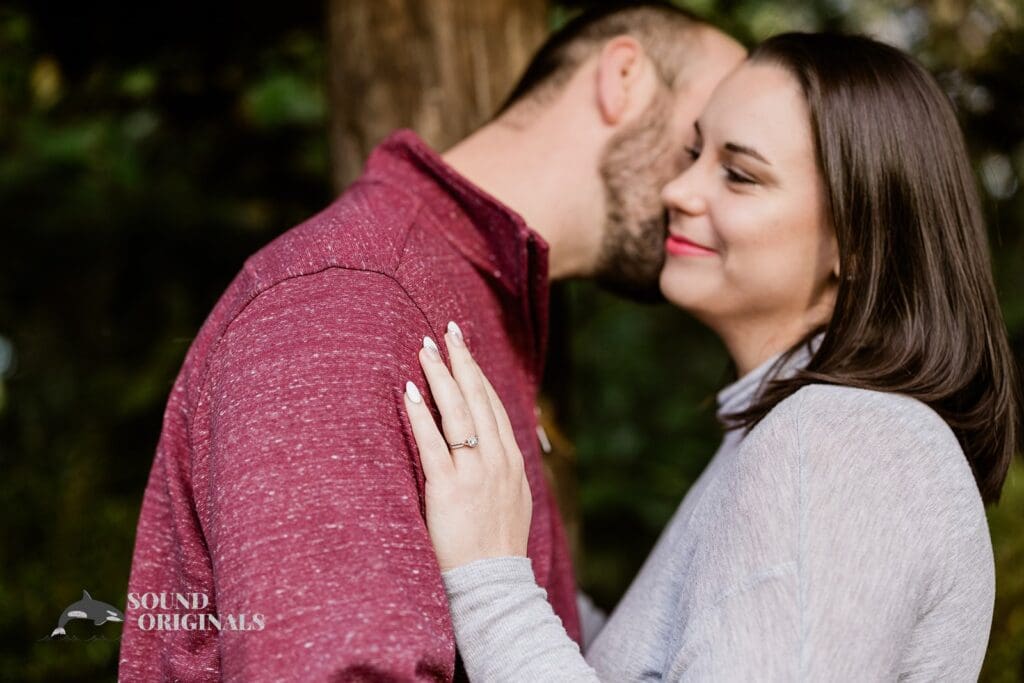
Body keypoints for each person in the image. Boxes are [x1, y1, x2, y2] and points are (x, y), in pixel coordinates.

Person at [118, 3, 746, 681]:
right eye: (700, 145)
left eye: (738, 169)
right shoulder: (347, 304)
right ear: (623, 76)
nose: (700, 191)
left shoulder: (476, 298)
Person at [403, 32, 1022, 681]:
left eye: (740, 173)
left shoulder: (839, 444)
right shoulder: (807, 432)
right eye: (695, 151)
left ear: (859, 243)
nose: (680, 190)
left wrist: (492, 583)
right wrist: (509, 528)